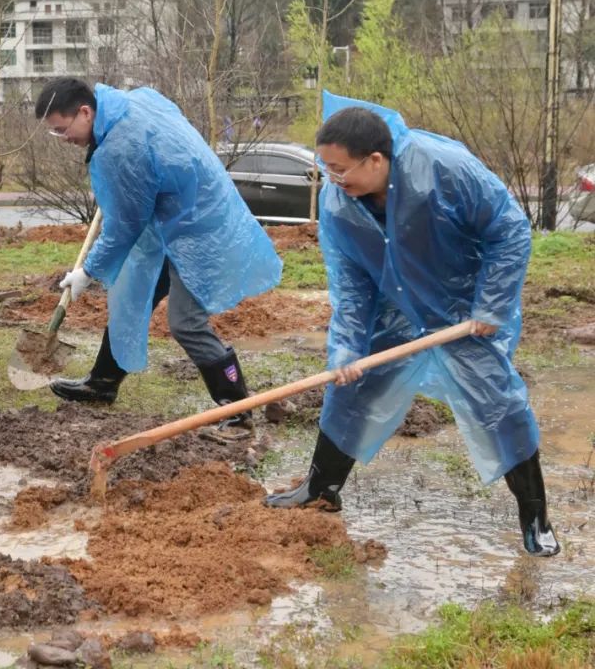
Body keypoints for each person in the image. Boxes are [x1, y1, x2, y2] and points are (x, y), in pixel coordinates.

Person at [264, 92, 559, 558]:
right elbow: (353, 286)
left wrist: (491, 304)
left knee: (497, 403)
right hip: (392, 303)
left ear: (376, 159)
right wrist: (346, 348)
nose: (333, 181)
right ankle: (321, 489)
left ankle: (536, 517)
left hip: (461, 306)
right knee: (351, 386)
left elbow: (509, 229)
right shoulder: (340, 208)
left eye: (341, 170)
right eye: (327, 170)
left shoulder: (444, 169)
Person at [35, 78, 282, 438]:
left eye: (62, 130)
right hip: (177, 220)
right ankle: (103, 382)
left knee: (185, 322)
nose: (63, 139)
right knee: (132, 292)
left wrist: (87, 271)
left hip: (199, 231)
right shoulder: (129, 102)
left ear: (85, 112)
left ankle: (237, 410)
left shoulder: (121, 147)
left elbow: (125, 226)